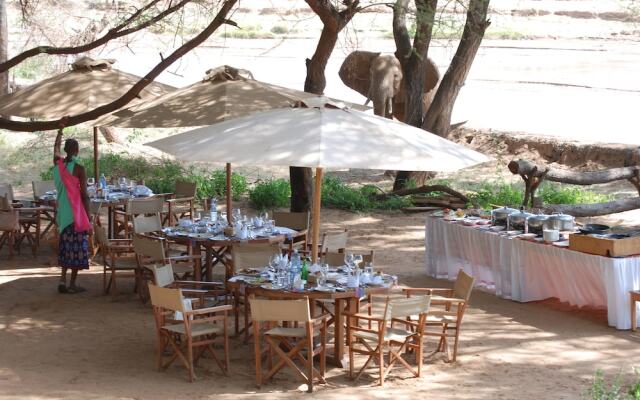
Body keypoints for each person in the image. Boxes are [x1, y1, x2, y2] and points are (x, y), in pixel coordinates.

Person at [53, 130, 92, 294]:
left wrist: (60, 131)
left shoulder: (58, 164)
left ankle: (62, 280)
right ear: (76, 150)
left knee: (65, 248)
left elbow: (54, 149)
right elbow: (84, 195)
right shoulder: (79, 169)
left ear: (65, 150)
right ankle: (72, 284)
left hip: (62, 213)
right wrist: (88, 217)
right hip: (76, 213)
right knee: (77, 249)